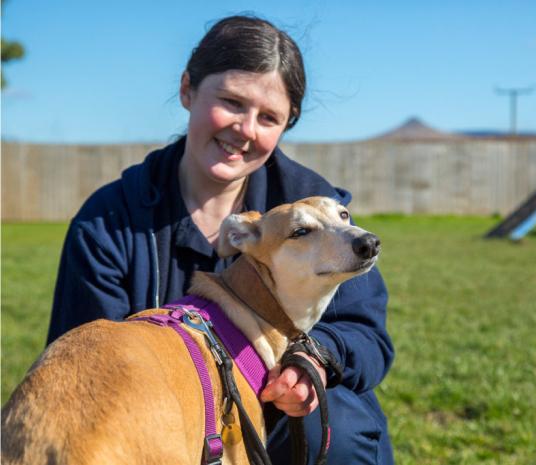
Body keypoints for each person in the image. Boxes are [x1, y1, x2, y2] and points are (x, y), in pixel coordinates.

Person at [46, 15, 394, 465]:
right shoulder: (108, 223)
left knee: (336, 431)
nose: (246, 129)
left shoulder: (316, 208)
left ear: (287, 125)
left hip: (285, 407)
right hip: (164, 414)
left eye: (268, 117)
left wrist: (315, 359)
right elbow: (83, 365)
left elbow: (367, 336)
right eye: (231, 102)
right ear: (188, 89)